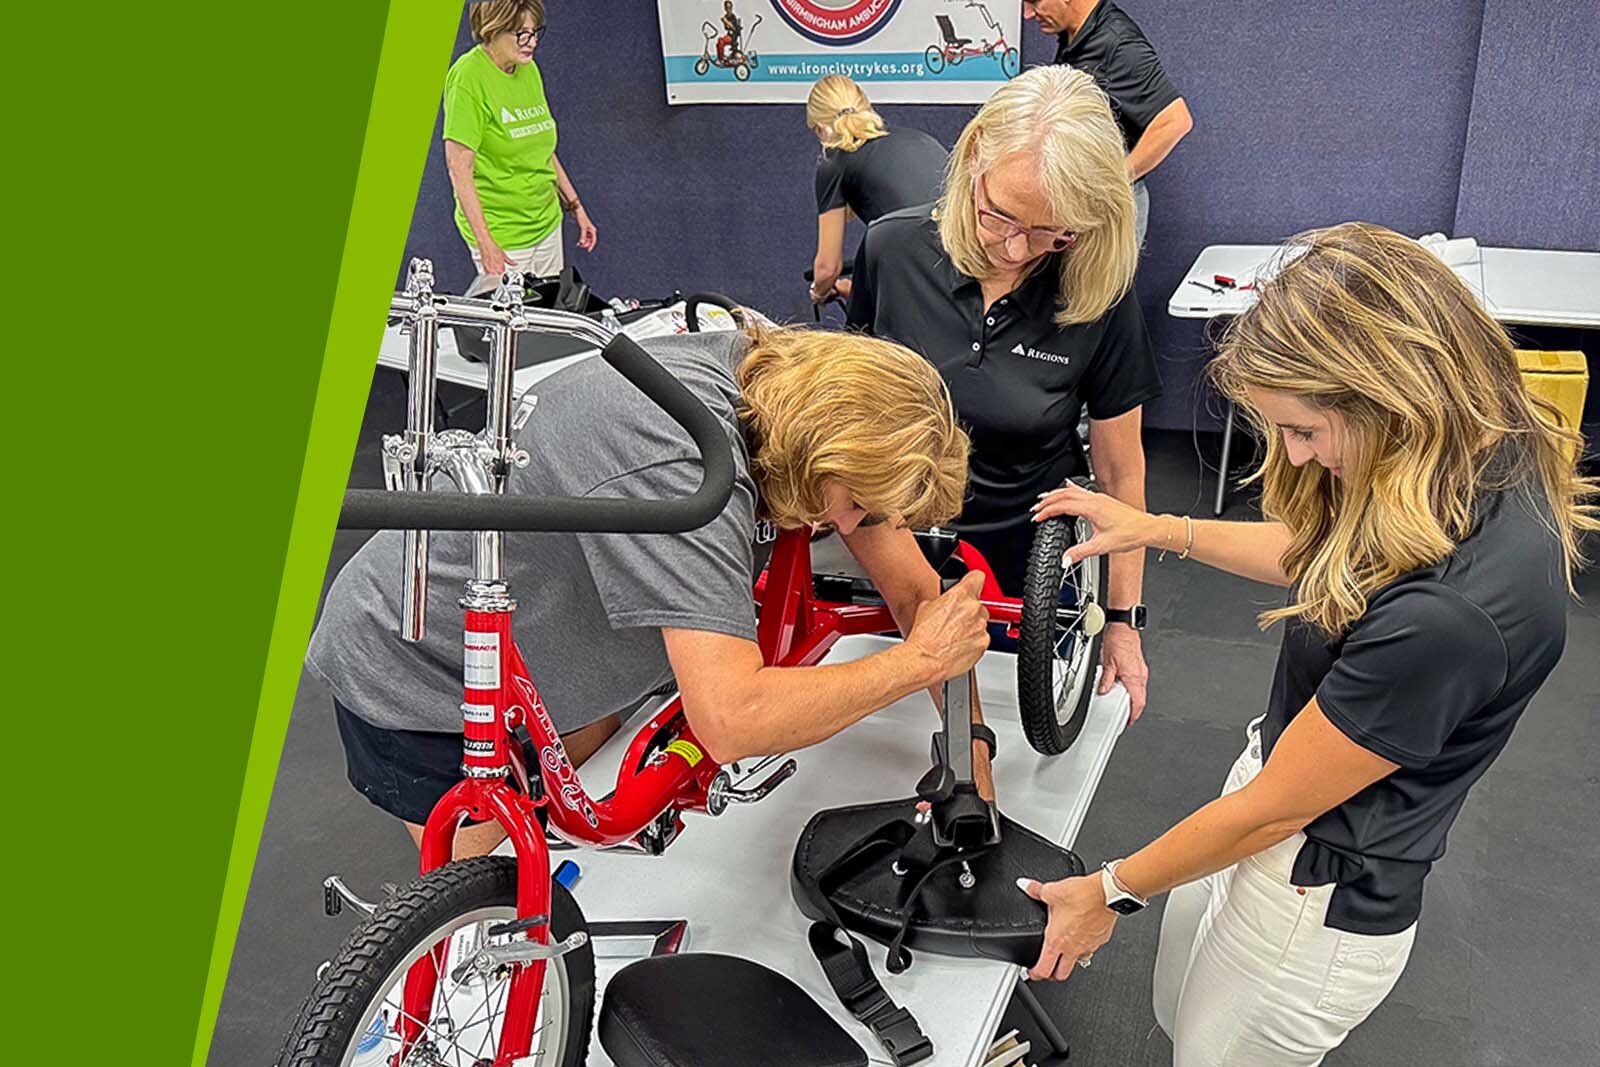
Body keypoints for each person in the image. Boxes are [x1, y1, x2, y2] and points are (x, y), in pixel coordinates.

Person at [1019, 223, 1598, 1064]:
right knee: (1181, 1015)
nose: (1294, 454)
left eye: (1304, 430)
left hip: (1311, 896)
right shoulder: (1470, 445)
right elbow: (1335, 558)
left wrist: (1108, 892)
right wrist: (1159, 527)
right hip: (1280, 799)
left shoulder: (1449, 616)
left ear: (1387, 396)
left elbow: (1278, 808)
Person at [307, 324, 994, 860]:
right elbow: (733, 718)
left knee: (576, 811)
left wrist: (974, 766)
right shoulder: (686, 464)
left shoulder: (772, 378)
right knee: (492, 915)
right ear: (828, 454)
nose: (855, 530)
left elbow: (913, 592)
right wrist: (916, 665)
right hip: (422, 674)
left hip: (550, 652)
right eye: (861, 510)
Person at [848, 64, 1160, 718]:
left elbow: (1120, 469)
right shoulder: (891, 249)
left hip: (1035, 573)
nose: (1017, 249)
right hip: (897, 555)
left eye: (1053, 232)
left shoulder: (1098, 293)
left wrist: (1125, 619)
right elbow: (857, 407)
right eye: (1002, 217)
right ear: (972, 160)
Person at [443, 0, 597, 294]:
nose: (532, 42)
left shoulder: (528, 69)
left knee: (550, 321)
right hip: (505, 234)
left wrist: (575, 206)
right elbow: (459, 170)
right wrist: (486, 243)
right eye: (521, 34)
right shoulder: (467, 79)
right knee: (517, 330)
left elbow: (540, 147)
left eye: (535, 32)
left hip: (546, 222)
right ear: (493, 29)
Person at [1023, 0, 1192, 246]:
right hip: (1078, 201)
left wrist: (1110, 183)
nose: (1028, 14)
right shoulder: (1074, 36)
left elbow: (1175, 121)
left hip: (1106, 208)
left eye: (1034, 1)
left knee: (1100, 285)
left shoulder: (1118, 43)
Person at [805, 75, 948, 305]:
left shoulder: (833, 163)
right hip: (965, 262)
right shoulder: (916, 138)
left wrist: (819, 292)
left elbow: (827, 268)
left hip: (924, 272)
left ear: (821, 129)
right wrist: (849, 288)